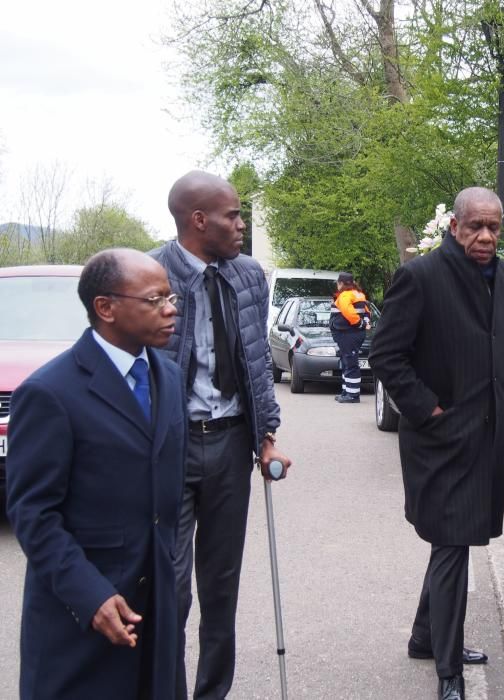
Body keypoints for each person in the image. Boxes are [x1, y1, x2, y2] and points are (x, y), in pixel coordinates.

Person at [6, 249, 186, 699]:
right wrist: (90, 595)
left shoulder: (169, 376)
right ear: (105, 308)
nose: (169, 310)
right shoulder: (50, 392)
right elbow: (34, 513)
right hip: (83, 620)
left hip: (157, 614)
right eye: (154, 299)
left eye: (171, 297)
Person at [369, 186, 504, 700]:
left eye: (493, 227)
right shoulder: (420, 277)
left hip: (489, 435)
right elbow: (386, 356)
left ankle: (425, 637)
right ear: (454, 226)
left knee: (456, 540)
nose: (485, 236)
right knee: (453, 545)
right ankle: (448, 669)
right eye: (475, 226)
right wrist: (430, 410)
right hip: (442, 440)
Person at [150, 170, 292, 700]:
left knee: (220, 585)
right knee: (171, 584)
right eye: (232, 215)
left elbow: (256, 358)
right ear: (198, 220)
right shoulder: (152, 273)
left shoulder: (249, 275)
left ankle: (212, 692)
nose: (241, 224)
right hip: (170, 445)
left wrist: (267, 434)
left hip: (231, 441)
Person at [330, 271, 371, 404]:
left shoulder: (345, 295)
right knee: (347, 361)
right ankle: (346, 391)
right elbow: (367, 311)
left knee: (350, 363)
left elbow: (348, 311)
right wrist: (364, 323)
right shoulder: (359, 294)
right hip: (352, 334)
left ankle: (352, 395)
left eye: (338, 283)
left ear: (341, 283)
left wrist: (359, 324)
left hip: (348, 333)